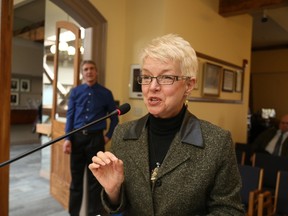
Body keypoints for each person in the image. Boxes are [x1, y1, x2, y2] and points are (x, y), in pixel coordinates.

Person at [88, 34, 244, 215]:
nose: (152, 86)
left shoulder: (217, 142)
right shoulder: (122, 133)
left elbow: (229, 210)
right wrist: (112, 190)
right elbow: (119, 206)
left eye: (166, 77)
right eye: (146, 77)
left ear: (188, 85)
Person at [63, 60, 119, 216]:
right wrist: (67, 139)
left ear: (97, 72)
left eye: (92, 69)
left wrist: (108, 136)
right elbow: (70, 115)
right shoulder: (75, 92)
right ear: (82, 72)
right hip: (76, 140)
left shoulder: (106, 93)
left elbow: (115, 118)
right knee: (76, 182)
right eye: (86, 69)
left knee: (95, 183)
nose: (89, 72)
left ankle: (93, 214)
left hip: (96, 140)